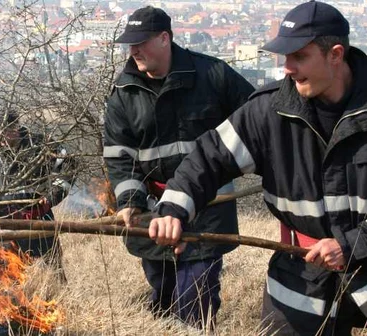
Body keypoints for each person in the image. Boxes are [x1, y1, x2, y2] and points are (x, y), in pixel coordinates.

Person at [149, 1, 367, 334]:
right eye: (285, 57)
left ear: (335, 54)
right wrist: (173, 210)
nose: (287, 69)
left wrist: (352, 245)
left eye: (299, 57)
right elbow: (207, 159)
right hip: (301, 268)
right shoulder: (267, 112)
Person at [103, 6, 254, 328]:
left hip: (208, 206)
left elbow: (257, 122)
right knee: (163, 295)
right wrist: (129, 201)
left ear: (164, 38)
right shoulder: (123, 92)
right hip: (151, 212)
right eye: (130, 44)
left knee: (196, 298)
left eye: (141, 42)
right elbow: (119, 155)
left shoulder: (214, 75)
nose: (134, 50)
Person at [0, 111, 76, 276]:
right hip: (5, 223)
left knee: (54, 268)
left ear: (16, 128)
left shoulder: (41, 145)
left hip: (40, 219)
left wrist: (52, 195)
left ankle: (60, 296)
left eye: (3, 131)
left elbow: (70, 166)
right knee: (11, 272)